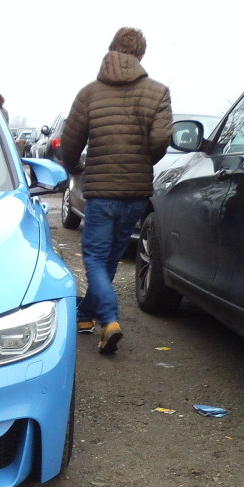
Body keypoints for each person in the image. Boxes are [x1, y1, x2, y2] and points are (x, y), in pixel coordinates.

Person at [62, 27, 172, 355]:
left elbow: (71, 140)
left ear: (111, 50)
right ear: (140, 55)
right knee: (109, 257)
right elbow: (161, 138)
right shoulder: (158, 92)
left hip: (100, 191)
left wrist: (74, 167)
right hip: (135, 192)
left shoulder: (89, 93)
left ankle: (109, 320)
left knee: (95, 257)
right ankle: (85, 316)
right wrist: (144, 159)